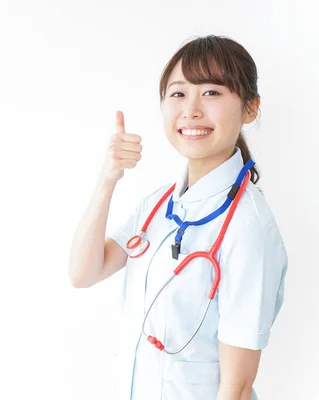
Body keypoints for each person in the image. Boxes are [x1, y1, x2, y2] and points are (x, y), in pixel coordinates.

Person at [68, 35, 288, 400]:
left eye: (212, 93)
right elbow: (82, 272)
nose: (191, 110)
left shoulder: (248, 227)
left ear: (250, 108)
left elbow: (237, 386)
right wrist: (108, 178)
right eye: (178, 94)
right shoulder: (159, 205)